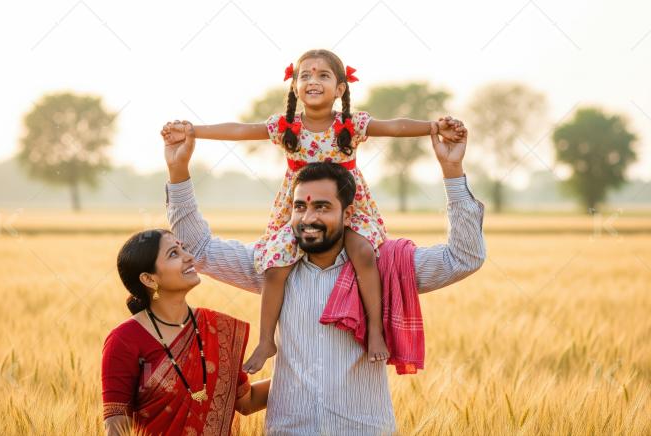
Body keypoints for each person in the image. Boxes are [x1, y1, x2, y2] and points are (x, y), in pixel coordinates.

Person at [161, 115, 485, 434]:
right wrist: (178, 170)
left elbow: (464, 257)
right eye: (300, 207)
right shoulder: (272, 266)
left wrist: (452, 172)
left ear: (347, 214)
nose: (308, 217)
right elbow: (198, 249)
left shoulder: (385, 267)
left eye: (322, 207)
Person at [161, 48, 466, 372]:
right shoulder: (286, 127)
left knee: (362, 251)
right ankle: (267, 339)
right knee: (274, 264)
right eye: (305, 75)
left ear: (340, 89)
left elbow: (396, 126)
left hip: (350, 206)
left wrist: (433, 126)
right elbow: (240, 130)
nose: (313, 81)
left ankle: (376, 330)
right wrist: (194, 131)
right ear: (294, 87)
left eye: (323, 75)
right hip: (299, 210)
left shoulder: (351, 124)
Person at [101, 229, 269, 436]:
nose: (189, 257)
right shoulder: (124, 340)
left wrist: (304, 377)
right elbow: (117, 427)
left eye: (184, 249)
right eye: (174, 254)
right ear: (149, 278)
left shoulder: (216, 327)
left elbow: (247, 401)